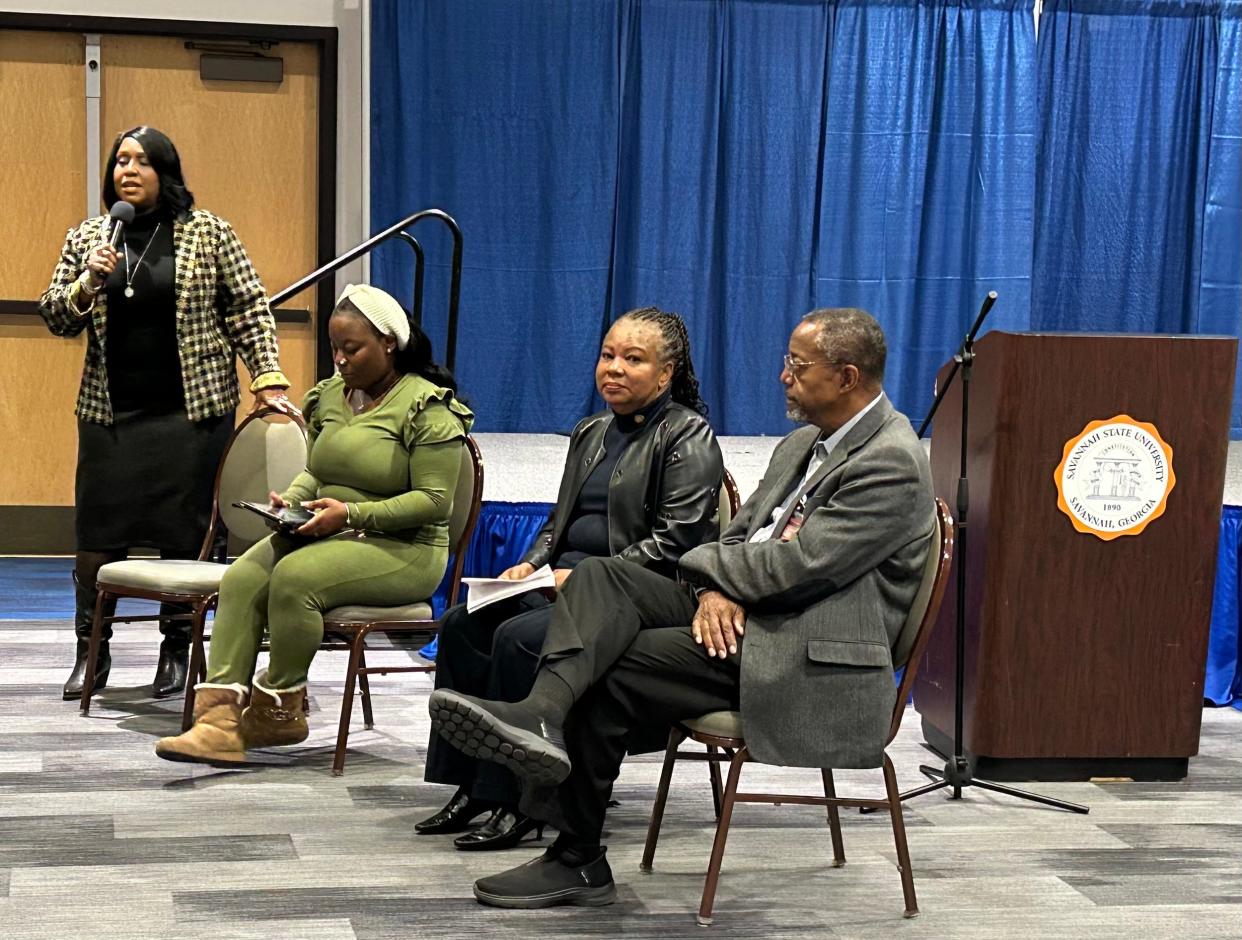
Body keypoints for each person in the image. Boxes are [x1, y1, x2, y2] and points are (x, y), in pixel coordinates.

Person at [429, 307, 936, 908]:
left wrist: (707, 575)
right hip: (756, 610)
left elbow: (797, 569)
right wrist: (713, 587)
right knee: (603, 578)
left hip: (806, 645)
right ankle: (541, 713)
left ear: (848, 377)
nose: (783, 377)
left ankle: (576, 856)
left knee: (612, 663)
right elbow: (738, 540)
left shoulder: (892, 462)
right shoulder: (804, 444)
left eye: (797, 366)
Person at [418, 307, 724, 851]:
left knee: (518, 640)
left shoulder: (687, 434)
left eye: (634, 359)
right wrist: (531, 564)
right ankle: (471, 788)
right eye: (608, 355)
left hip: (629, 594)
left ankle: (522, 800)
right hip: (559, 580)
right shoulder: (591, 431)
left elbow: (676, 542)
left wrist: (580, 577)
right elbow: (560, 522)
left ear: (666, 373)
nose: (614, 368)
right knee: (464, 624)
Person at [154, 284, 474, 765]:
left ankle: (280, 711)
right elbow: (317, 473)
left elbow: (434, 503)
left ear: (389, 343)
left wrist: (351, 514)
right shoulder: (330, 396)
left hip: (405, 548)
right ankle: (217, 724)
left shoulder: (426, 407)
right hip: (332, 531)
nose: (341, 360)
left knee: (294, 579)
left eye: (353, 349)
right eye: (335, 348)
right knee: (242, 576)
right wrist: (293, 502)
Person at [39, 125, 296, 701]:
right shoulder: (88, 237)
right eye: (120, 161)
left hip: (192, 417)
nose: (127, 171)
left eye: (141, 161)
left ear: (166, 172)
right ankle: (91, 651)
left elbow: (249, 308)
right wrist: (87, 282)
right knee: (97, 536)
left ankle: (178, 650)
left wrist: (268, 377)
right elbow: (55, 315)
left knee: (188, 537)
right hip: (111, 416)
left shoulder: (208, 233)